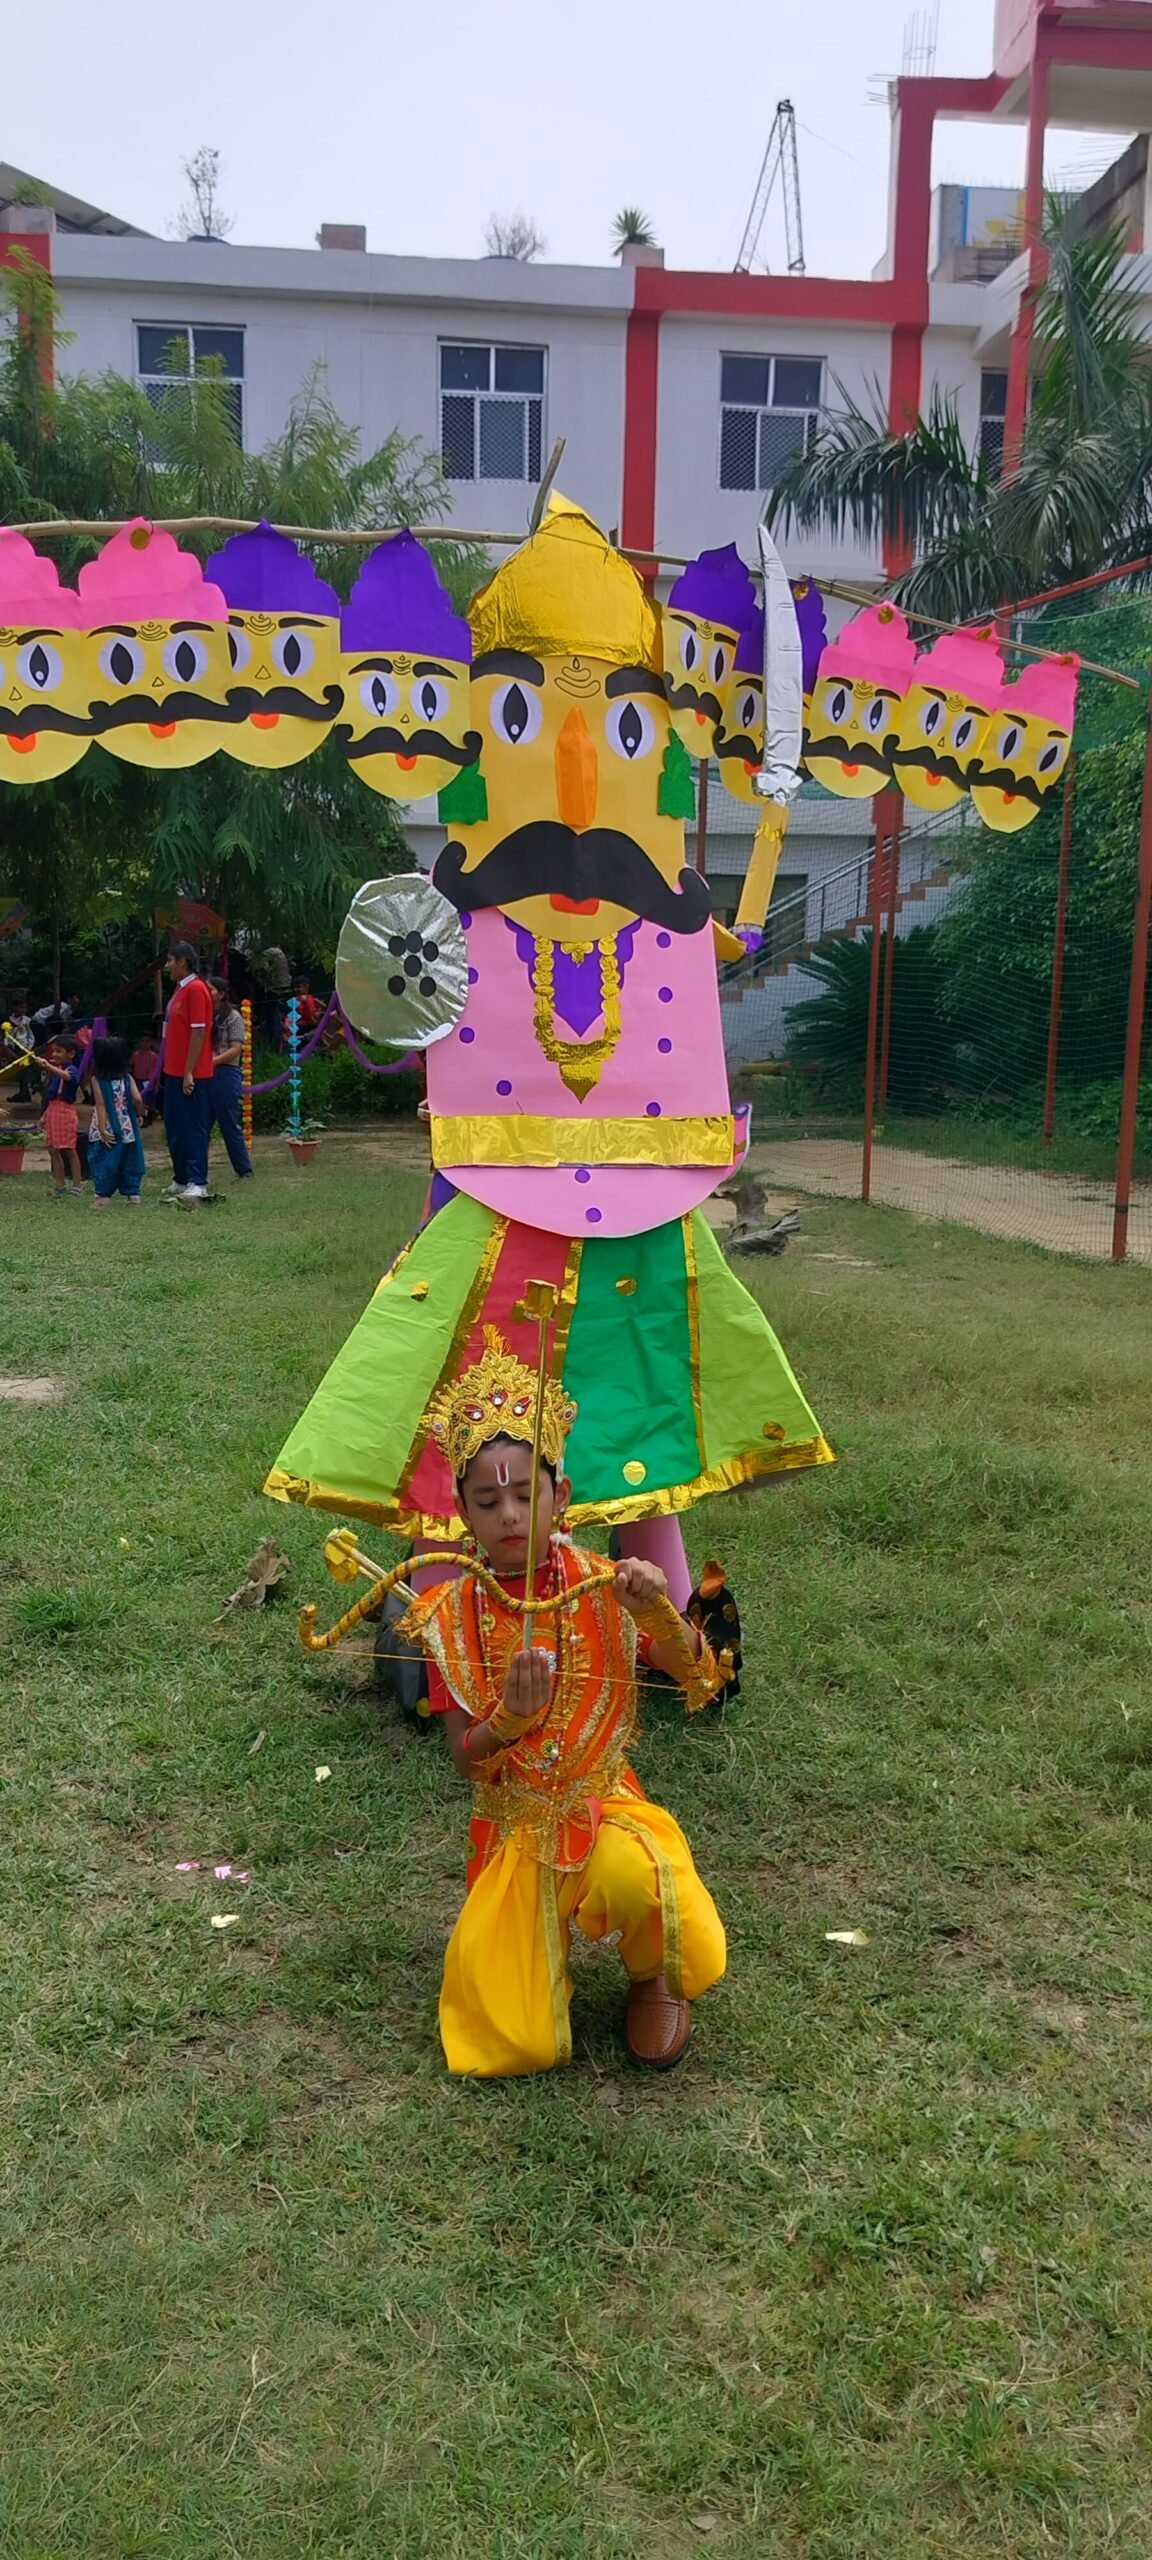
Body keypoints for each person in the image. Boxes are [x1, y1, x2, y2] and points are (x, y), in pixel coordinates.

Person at [400, 1334, 728, 2078]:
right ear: (462, 1512)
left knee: (636, 1875)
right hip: (514, 1826)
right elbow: (466, 1760)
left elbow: (697, 1678)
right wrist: (508, 1721)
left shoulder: (607, 1583)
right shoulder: (449, 1614)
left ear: (564, 1495)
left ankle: (654, 1975)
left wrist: (657, 1614)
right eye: (489, 1501)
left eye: (527, 1495)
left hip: (601, 1802)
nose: (510, 1515)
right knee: (511, 2042)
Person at [160, 941, 215, 1202]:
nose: (167, 966)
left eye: (170, 960)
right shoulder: (180, 988)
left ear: (183, 961)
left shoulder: (196, 989)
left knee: (193, 1127)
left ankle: (198, 1181)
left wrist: (189, 1071)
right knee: (175, 1126)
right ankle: (181, 1177)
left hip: (191, 1073)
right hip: (173, 1070)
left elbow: (199, 1032)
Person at [88, 1035, 146, 1208]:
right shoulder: (127, 1078)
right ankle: (133, 1195)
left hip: (107, 1124)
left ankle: (103, 1196)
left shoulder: (97, 1079)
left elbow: (101, 1104)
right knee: (128, 1159)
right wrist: (140, 1114)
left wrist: (102, 1129)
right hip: (127, 1124)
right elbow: (137, 1099)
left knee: (102, 1158)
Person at [207, 979, 253, 1179]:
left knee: (229, 1123)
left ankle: (244, 1169)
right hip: (203, 1074)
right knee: (201, 1125)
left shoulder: (233, 1017)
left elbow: (235, 1049)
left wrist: (212, 1062)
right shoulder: (203, 1015)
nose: (206, 992)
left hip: (225, 1073)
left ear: (221, 994)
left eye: (210, 989)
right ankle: (198, 1171)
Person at [39, 1036, 81, 1196]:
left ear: (71, 1054)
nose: (55, 1054)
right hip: (52, 1110)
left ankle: (77, 1186)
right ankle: (60, 1185)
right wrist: (44, 1116)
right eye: (54, 1051)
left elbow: (68, 1077)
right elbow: (52, 1097)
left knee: (69, 1150)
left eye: (59, 1051)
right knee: (52, 1149)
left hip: (65, 1112)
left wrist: (49, 1066)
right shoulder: (57, 1070)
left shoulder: (71, 1070)